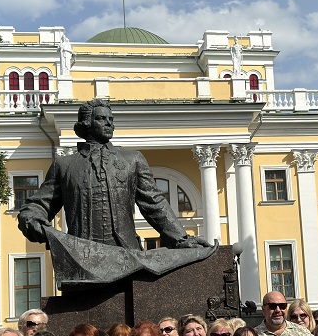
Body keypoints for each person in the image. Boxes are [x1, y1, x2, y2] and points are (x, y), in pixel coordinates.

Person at [17, 99, 210, 251]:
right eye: (101, 119)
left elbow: (154, 202)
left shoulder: (132, 160)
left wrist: (180, 239)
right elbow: (38, 205)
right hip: (83, 255)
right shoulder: (65, 165)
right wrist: (34, 221)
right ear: (86, 123)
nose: (108, 123)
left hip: (126, 251)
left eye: (111, 119)